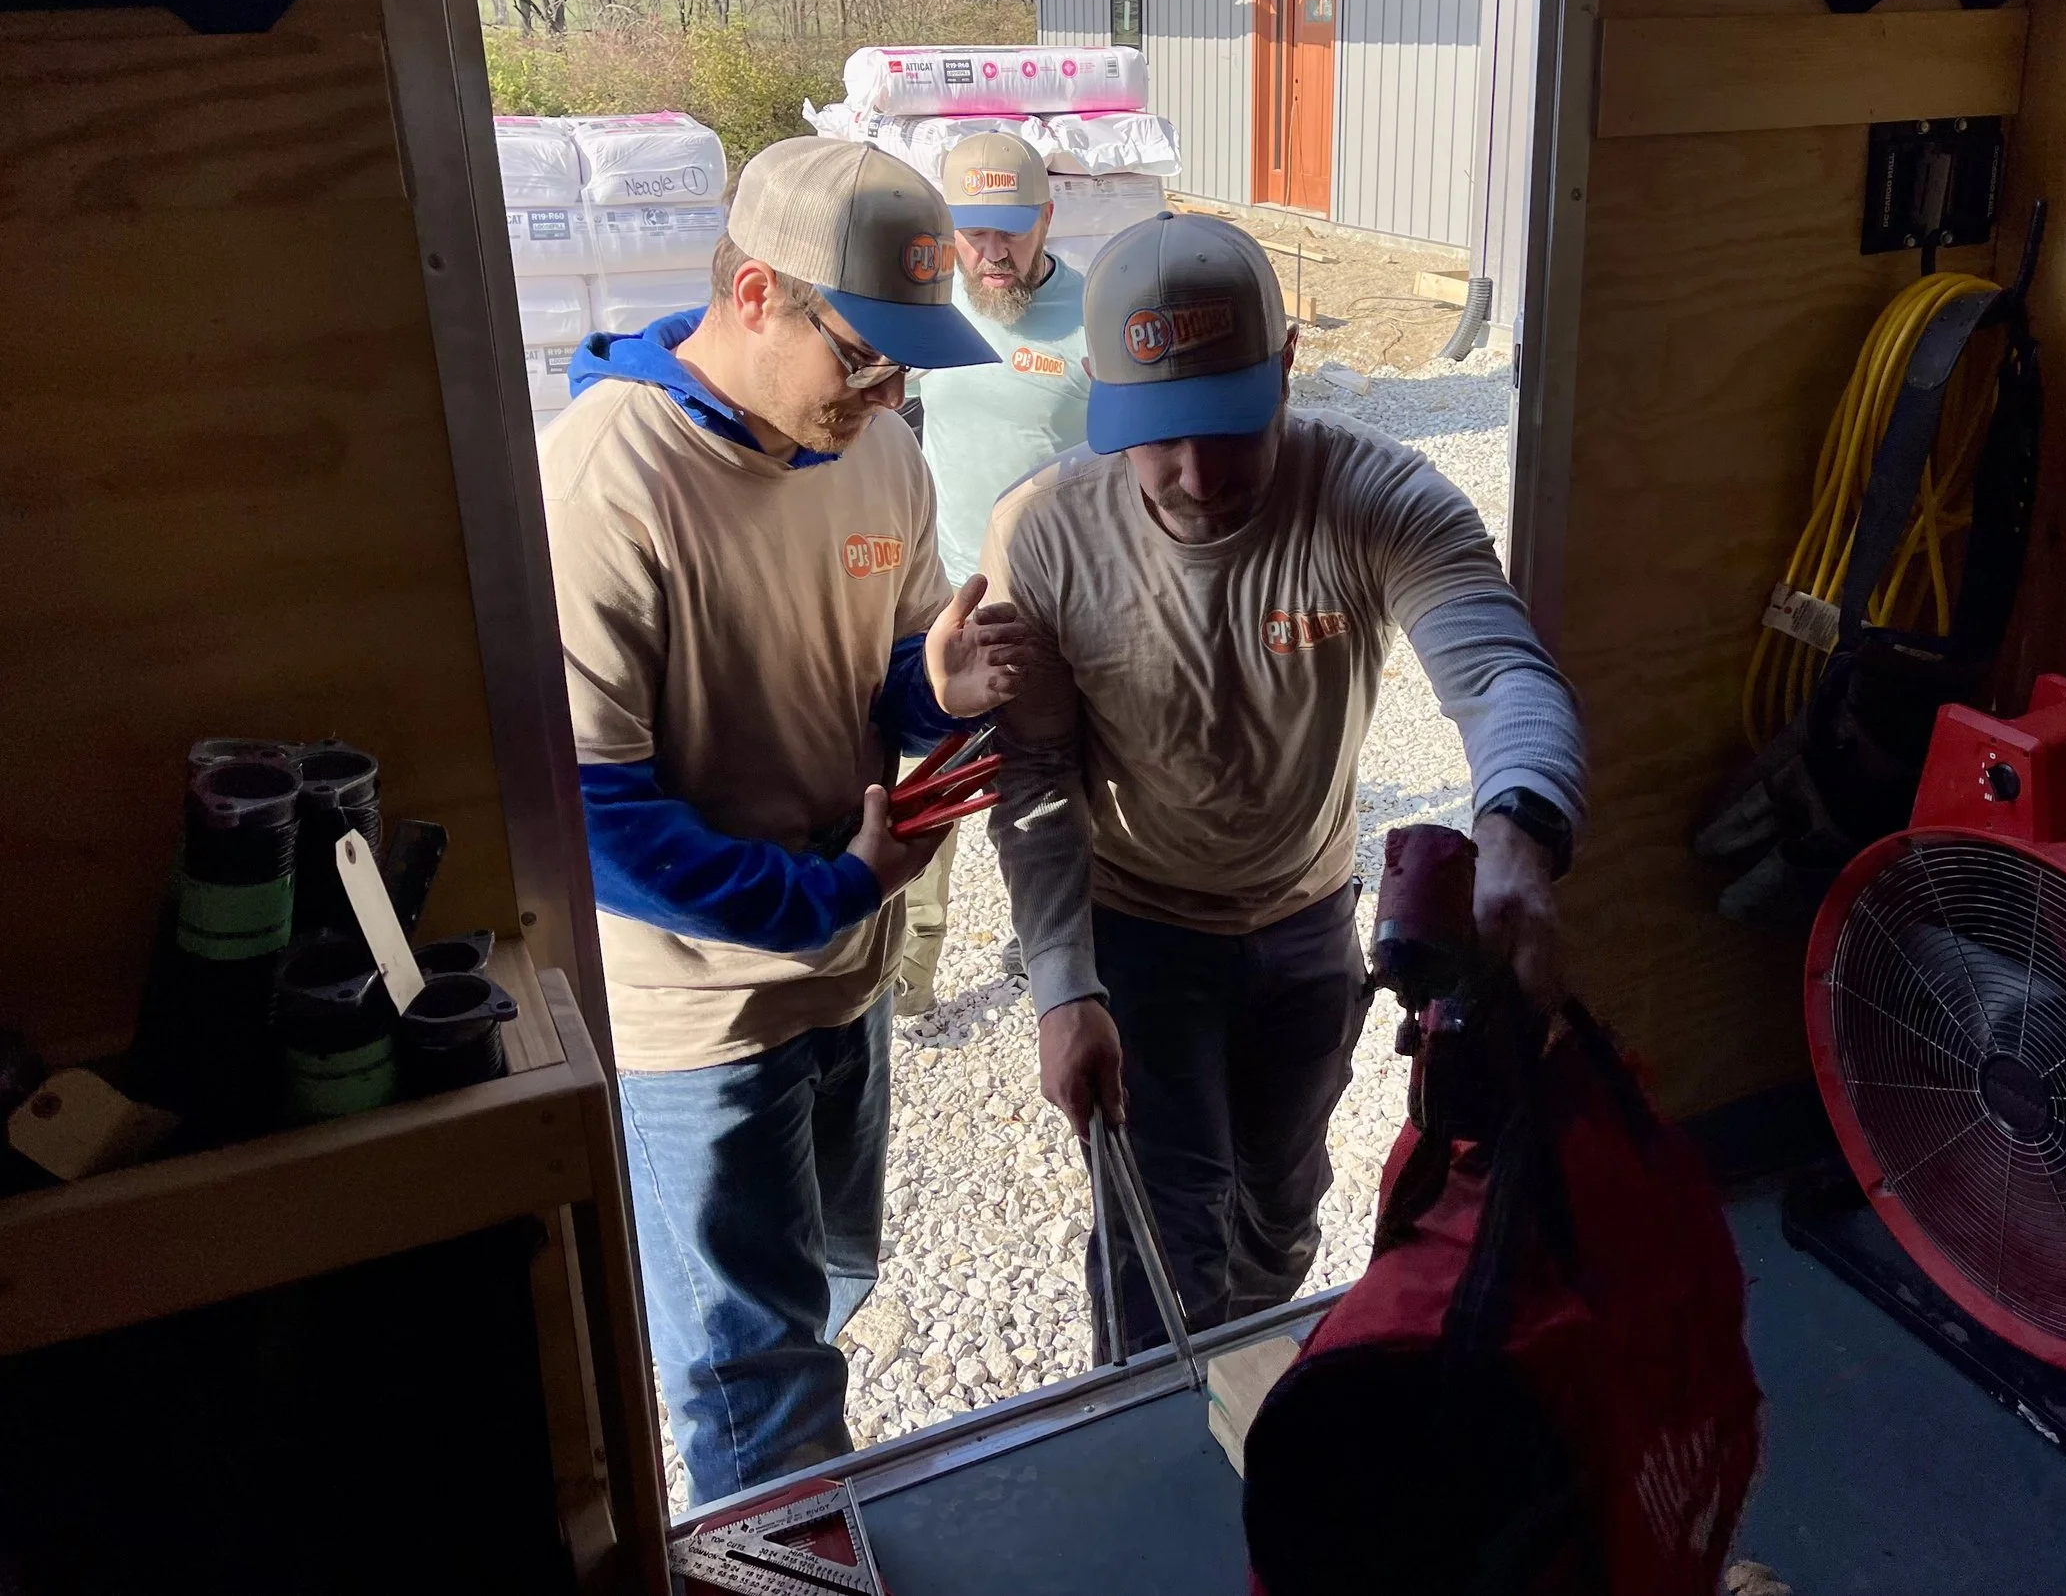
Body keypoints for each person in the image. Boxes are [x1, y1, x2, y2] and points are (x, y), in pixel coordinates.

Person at [980, 212, 1587, 1352]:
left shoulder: (1373, 498)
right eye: (1157, 436)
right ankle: (1153, 1434)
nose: (1198, 474)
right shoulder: (1047, 532)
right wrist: (1065, 985)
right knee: (1161, 1236)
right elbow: (1037, 774)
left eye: (1227, 423)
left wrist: (1516, 837)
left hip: (1307, 921)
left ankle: (1259, 1397)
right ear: (1100, 392)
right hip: (1140, 930)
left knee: (1280, 1201)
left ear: (1288, 364)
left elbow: (1501, 671)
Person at [540, 137, 1041, 1503]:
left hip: (847, 979)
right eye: (863, 353)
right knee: (753, 1383)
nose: (887, 393)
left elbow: (883, 665)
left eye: (908, 365)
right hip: (702, 1020)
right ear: (756, 292)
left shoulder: (879, 457)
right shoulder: (605, 482)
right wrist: (829, 891)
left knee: (830, 1287)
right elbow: (594, 814)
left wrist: (932, 688)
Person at [893, 132, 1092, 1017]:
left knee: (1053, 782)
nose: (992, 253)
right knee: (924, 794)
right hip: (941, 599)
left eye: (1010, 230)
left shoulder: (1095, 318)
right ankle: (909, 979)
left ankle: (1045, 943)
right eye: (972, 233)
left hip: (1054, 608)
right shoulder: (929, 311)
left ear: (1047, 217)